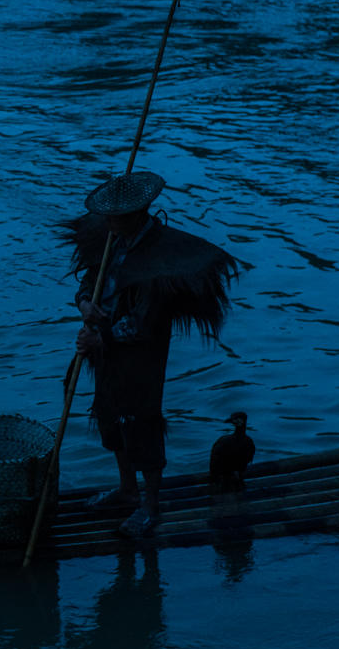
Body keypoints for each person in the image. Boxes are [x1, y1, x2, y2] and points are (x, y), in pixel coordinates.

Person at [68, 170, 238, 537]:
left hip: (139, 354)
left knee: (140, 421)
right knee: (110, 415)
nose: (109, 223)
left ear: (136, 214)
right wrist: (85, 306)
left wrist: (104, 338)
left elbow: (145, 322)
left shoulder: (159, 256)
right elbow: (87, 282)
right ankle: (127, 489)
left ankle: (149, 505)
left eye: (116, 217)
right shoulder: (110, 238)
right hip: (104, 344)